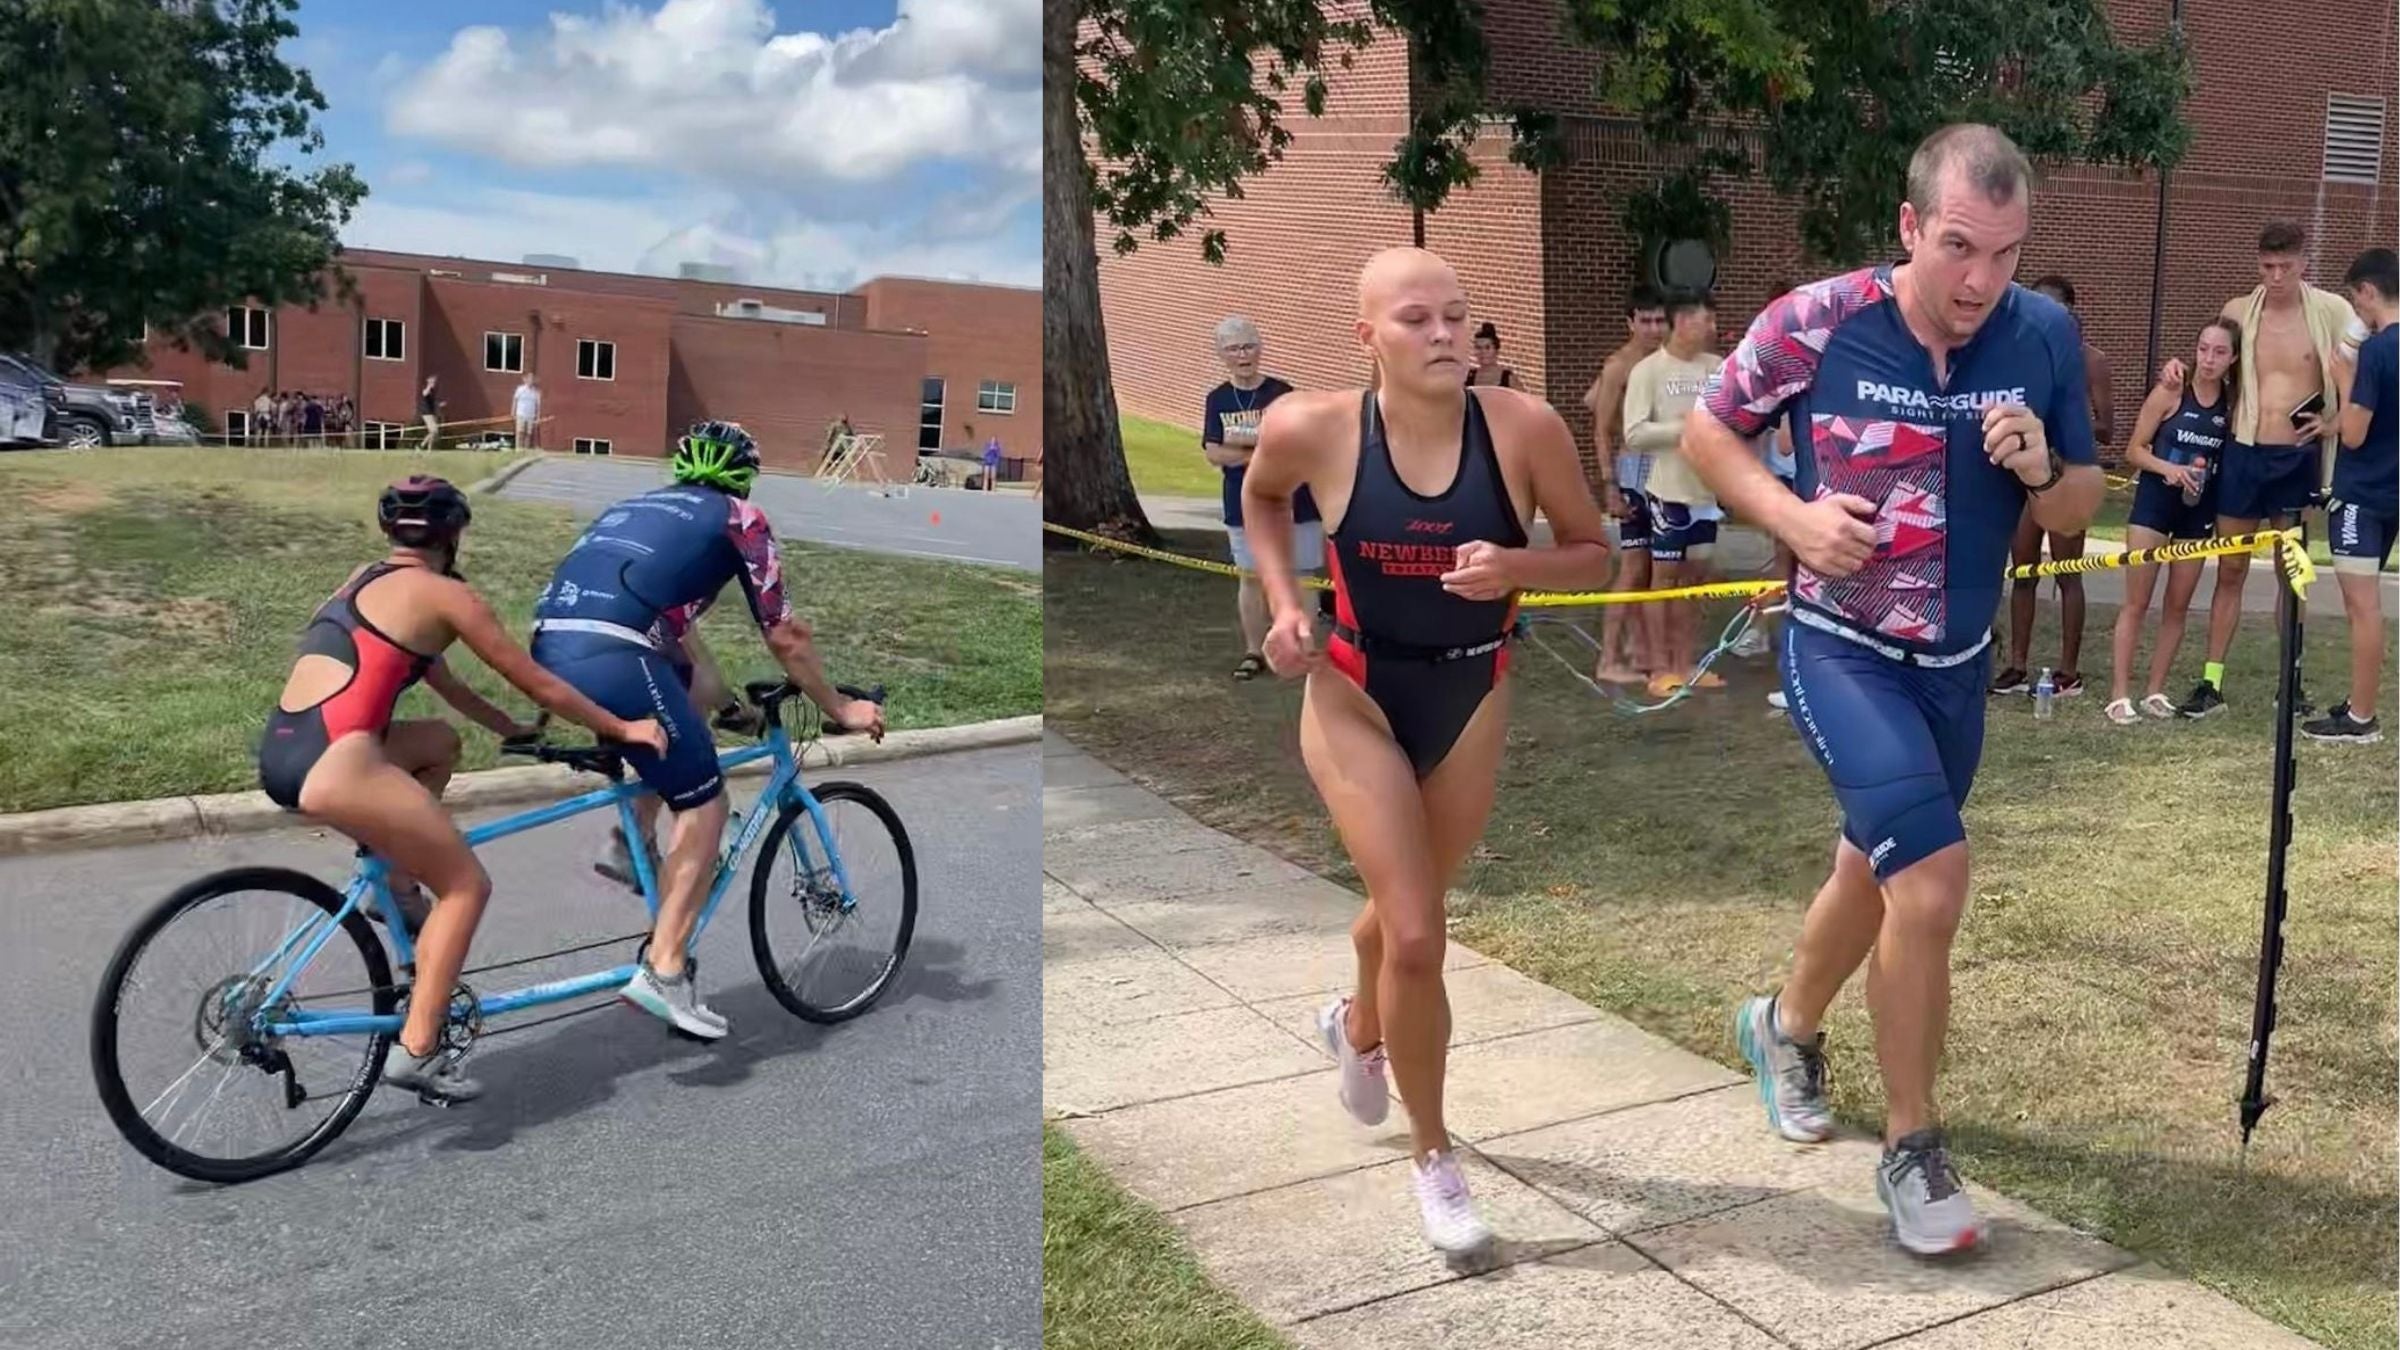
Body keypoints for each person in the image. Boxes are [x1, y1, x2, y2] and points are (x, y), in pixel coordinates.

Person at [1683, 123, 2102, 1256]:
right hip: (1842, 650)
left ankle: (1782, 1026)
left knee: (1874, 873)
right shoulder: (1818, 320)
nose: (1981, 281)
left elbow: (2079, 506)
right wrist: (1789, 517)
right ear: (1911, 225)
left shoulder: (2045, 333)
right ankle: (1913, 1150)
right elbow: (1707, 428)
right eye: (1960, 246)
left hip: (1958, 668)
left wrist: (2039, 471)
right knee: (1931, 883)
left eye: (2007, 254)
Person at [1244, 247, 1613, 1256]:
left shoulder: (1523, 431)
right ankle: (1435, 1159)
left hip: (1470, 690)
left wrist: (1518, 565)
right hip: (1352, 688)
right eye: (1417, 319)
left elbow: (1595, 554)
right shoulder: (1311, 427)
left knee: (1395, 922)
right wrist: (1284, 605)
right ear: (1368, 337)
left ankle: (1358, 1029)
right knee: (1415, 934)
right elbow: (1264, 498)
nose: (1445, 333)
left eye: (1457, 314)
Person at [258, 476, 668, 1102]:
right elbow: (538, 680)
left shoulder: (362, 581)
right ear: (454, 536)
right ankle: (420, 1049)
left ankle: (394, 886)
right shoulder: (447, 595)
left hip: (288, 750)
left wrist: (510, 730)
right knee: (466, 885)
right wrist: (621, 727)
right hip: (342, 765)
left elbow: (444, 684)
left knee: (438, 744)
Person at [529, 420, 886, 1039]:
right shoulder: (740, 519)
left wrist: (726, 710)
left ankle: (631, 839)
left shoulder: (638, 509)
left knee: (678, 715)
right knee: (704, 806)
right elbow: (785, 635)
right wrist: (840, 707)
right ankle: (664, 972)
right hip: (616, 655)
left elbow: (684, 652)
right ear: (744, 476)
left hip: (553, 648)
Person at [2163, 220, 2362, 718]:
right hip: (2243, 453)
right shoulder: (2238, 311)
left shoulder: (2333, 312)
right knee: (2230, 567)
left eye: (2285, 267)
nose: (2275, 277)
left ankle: (2290, 683)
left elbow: (2365, 371)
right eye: (2267, 266)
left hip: (2296, 459)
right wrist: (2179, 372)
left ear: (2303, 265)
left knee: (2290, 573)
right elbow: (2212, 361)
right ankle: (2211, 682)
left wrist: (2335, 422)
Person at [2104, 320, 2239, 724]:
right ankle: (2119, 694)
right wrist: (2168, 468)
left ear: (2233, 359)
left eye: (2219, 352)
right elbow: (2133, 450)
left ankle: (2155, 691)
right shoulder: (2171, 391)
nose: (2209, 359)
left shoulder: (2232, 405)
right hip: (2153, 506)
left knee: (2177, 606)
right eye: (2203, 349)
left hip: (2196, 512)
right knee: (2136, 601)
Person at [1993, 275, 2113, 697]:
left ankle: (2068, 670)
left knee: (2067, 573)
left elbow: (2107, 428)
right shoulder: (2021, 358)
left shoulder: (2090, 361)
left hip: (2067, 474)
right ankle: (2017, 665)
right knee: (2023, 570)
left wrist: (2067, 426)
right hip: (2025, 477)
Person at [2305, 247, 2396, 743]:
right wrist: (2329, 424)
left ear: (2367, 292)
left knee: (2362, 607)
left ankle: (2361, 718)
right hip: (2393, 492)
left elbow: (2357, 434)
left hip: (2361, 493)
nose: (2356, 310)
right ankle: (2357, 702)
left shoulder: (2380, 350)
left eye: (2355, 299)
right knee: (2364, 605)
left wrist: (2343, 379)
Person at [1203, 315, 1321, 680]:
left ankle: (1301, 648)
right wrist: (1258, 454)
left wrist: (1240, 449)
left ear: (1260, 348)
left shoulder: (1282, 393)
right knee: (1250, 577)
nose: (1243, 355)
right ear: (1221, 354)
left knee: (1303, 576)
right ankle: (1254, 652)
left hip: (1295, 502)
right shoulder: (1218, 399)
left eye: (1249, 345)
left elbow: (1297, 444)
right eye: (1234, 348)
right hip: (1243, 504)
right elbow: (1213, 452)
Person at [1620, 290, 1725, 696]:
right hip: (1667, 493)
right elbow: (1634, 432)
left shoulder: (1716, 368)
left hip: (1705, 496)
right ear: (1682, 323)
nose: (1713, 329)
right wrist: (1685, 428)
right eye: (1706, 320)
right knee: (1663, 580)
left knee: (1696, 580)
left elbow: (1729, 417)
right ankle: (1659, 668)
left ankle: (1687, 660)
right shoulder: (1648, 371)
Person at [1582, 286, 1671, 683]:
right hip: (1634, 469)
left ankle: (1640, 649)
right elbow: (1600, 430)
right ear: (1630, 322)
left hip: (1667, 470)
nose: (1654, 328)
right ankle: (1609, 657)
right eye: (1646, 320)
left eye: (1659, 320)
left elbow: (1589, 399)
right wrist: (1610, 486)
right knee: (1634, 566)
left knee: (1658, 564)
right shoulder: (1620, 364)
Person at [1467, 321, 1518, 388]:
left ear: (1496, 350)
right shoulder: (1468, 377)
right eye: (1479, 348)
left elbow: (1523, 397)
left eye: (1487, 348)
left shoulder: (1508, 378)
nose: (1483, 352)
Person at [513, 374, 542, 450]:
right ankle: (519, 449)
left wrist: (538, 417)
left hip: (530, 415)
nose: (530, 381)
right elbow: (515, 400)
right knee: (520, 432)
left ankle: (526, 449)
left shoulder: (536, 392)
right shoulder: (520, 389)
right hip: (521, 414)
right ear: (525, 380)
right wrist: (513, 411)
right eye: (529, 379)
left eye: (532, 379)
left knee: (528, 433)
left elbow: (538, 406)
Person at [417, 375, 443, 450]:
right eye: (433, 382)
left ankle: (429, 449)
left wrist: (439, 405)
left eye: (434, 382)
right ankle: (421, 445)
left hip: (432, 413)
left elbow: (433, 402)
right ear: (429, 382)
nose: (434, 384)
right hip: (427, 413)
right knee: (434, 431)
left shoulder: (433, 391)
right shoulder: (427, 389)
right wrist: (429, 385)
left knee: (432, 432)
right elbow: (424, 394)